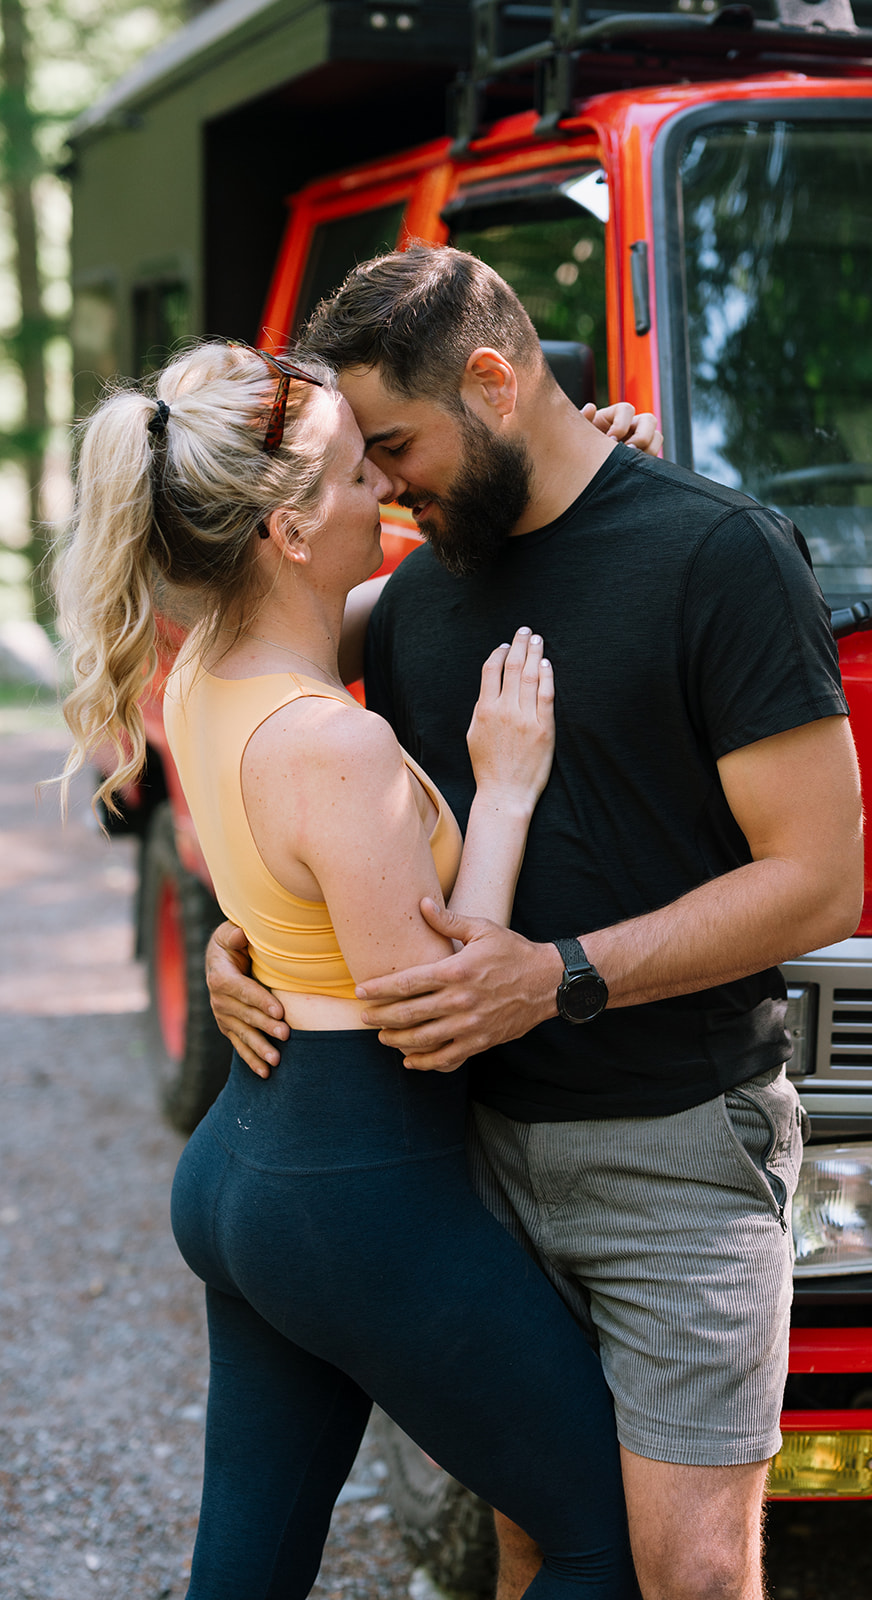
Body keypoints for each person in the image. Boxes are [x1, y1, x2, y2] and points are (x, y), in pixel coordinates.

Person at [207, 246, 865, 1600]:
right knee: (535, 1538)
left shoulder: (719, 556)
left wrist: (560, 976)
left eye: (395, 446)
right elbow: (266, 741)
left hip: (677, 1147)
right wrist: (255, 936)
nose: (384, 488)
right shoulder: (416, 592)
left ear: (495, 385)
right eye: (362, 464)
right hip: (474, 1151)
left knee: (687, 1570)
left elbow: (819, 883)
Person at [53, 339, 644, 1599]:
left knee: (249, 1569)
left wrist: (580, 472)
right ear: (285, 527)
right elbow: (434, 1016)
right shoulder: (334, 741)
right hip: (354, 1185)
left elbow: (422, 590)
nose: (384, 481)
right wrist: (503, 789)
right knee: (605, 1539)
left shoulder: (211, 667)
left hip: (249, 1161)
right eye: (353, 469)